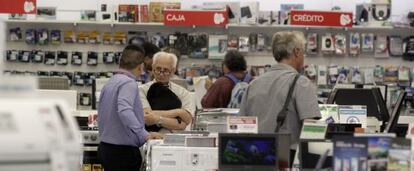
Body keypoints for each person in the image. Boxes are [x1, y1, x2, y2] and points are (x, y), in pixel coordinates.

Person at [238, 31, 321, 162]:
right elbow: (313, 129)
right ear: (296, 52)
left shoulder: (253, 85)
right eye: (303, 52)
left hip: (255, 159)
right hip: (288, 159)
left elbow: (241, 127)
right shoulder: (301, 83)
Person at [97, 44, 163, 171]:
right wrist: (144, 134)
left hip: (106, 148)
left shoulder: (111, 82)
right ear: (140, 67)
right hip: (122, 153)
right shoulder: (128, 83)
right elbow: (125, 111)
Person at [139, 52, 194, 133]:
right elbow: (147, 116)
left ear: (173, 71)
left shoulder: (183, 93)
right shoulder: (141, 90)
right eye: (158, 69)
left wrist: (156, 119)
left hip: (176, 140)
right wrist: (179, 112)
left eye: (165, 70)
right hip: (150, 138)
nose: (161, 74)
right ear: (153, 67)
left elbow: (187, 120)